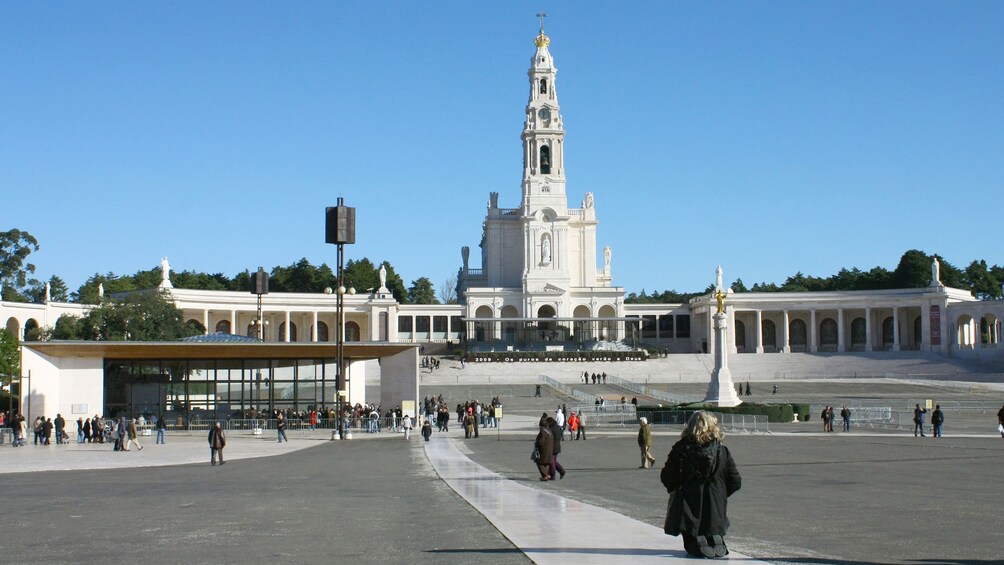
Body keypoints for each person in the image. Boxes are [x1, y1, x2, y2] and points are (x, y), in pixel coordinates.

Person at [661, 411, 742, 558]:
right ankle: (715, 538)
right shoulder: (722, 451)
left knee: (691, 540)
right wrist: (722, 493)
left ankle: (697, 542)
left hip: (688, 507)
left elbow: (666, 476)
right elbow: (735, 481)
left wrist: (677, 490)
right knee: (713, 526)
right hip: (715, 506)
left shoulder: (680, 449)